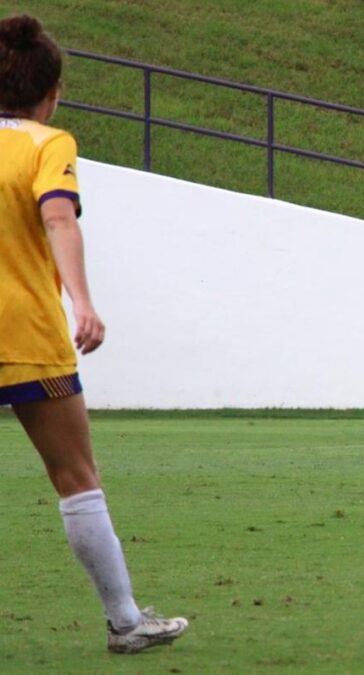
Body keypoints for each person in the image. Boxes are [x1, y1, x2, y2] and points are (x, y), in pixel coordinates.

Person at [0, 14, 188, 654]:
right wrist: (82, 300)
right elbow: (57, 217)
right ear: (50, 93)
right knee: (76, 474)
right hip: (24, 333)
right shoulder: (48, 143)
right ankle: (125, 622)